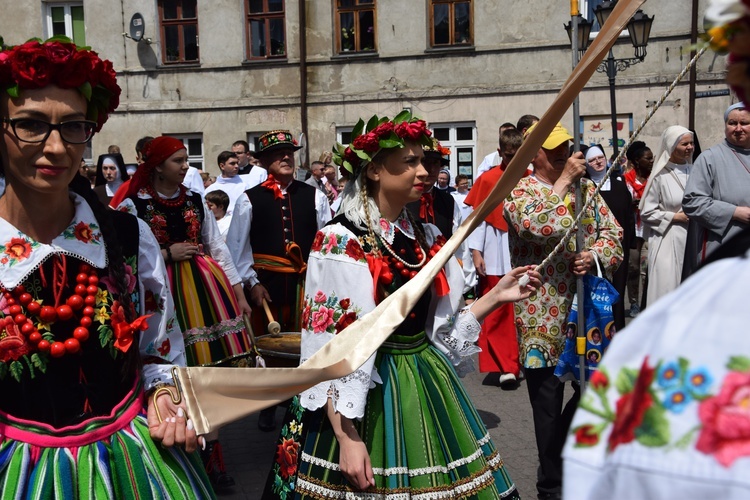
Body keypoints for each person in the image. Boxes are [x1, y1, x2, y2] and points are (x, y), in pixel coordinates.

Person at [265, 112, 542, 498]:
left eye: (424, 162)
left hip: (423, 377)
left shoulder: (423, 235)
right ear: (375, 170)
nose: (424, 171)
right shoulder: (341, 240)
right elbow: (330, 348)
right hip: (368, 393)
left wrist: (496, 297)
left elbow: (438, 330)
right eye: (409, 162)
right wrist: (346, 437)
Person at [0, 37, 212, 497]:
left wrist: (163, 398)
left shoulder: (128, 238)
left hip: (131, 467)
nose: (56, 147)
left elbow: (158, 352)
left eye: (74, 126)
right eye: (30, 125)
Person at [119, 135, 254, 491]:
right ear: (158, 166)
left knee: (208, 374)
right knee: (178, 373)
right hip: (164, 295)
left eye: (185, 160)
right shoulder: (134, 207)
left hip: (207, 293)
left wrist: (238, 293)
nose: (185, 166)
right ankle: (181, 450)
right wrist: (167, 254)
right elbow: (124, 259)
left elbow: (218, 248)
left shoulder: (195, 199)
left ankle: (214, 461)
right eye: (178, 160)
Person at [504, 122, 623, 500]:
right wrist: (560, 186)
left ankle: (564, 455)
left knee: (595, 389)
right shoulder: (518, 190)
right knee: (547, 406)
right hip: (542, 316)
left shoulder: (586, 188)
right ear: (532, 153)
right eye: (552, 147)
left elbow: (615, 234)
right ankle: (551, 485)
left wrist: (595, 254)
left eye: (566, 146)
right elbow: (535, 225)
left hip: (586, 312)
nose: (562, 153)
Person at [226, 129, 331, 431]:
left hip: (306, 283)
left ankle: (304, 404)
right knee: (270, 348)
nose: (286, 157)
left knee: (307, 345)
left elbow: (326, 242)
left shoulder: (315, 196)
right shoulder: (249, 199)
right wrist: (251, 282)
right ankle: (269, 404)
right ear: (264, 161)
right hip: (266, 285)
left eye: (290, 152)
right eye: (277, 154)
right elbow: (237, 247)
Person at [465, 128, 526, 385]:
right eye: (509, 155)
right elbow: (477, 220)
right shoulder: (488, 179)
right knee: (497, 307)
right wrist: (476, 252)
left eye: (518, 155)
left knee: (524, 303)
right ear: (500, 152)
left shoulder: (530, 178)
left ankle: (525, 359)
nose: (513, 161)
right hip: (494, 247)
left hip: (524, 246)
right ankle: (505, 365)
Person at [682, 102, 750, 278]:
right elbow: (692, 202)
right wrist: (734, 212)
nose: (738, 128)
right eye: (732, 123)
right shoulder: (710, 158)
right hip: (725, 249)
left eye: (744, 123)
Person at [640, 126, 694, 306]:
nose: (690, 147)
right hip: (667, 239)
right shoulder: (659, 176)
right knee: (667, 288)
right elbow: (647, 212)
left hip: (692, 237)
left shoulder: (695, 170)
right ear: (671, 146)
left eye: (691, 143)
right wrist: (675, 217)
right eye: (684, 143)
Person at [584, 145, 634, 330]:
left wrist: (631, 242)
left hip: (619, 246)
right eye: (592, 160)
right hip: (595, 249)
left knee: (619, 290)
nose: (597, 162)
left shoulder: (620, 185)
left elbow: (629, 215)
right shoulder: (584, 188)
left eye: (600, 158)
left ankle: (618, 330)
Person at [623, 141, 653, 316]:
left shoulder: (656, 178)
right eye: (647, 159)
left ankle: (647, 301)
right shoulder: (625, 180)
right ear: (637, 160)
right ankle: (634, 302)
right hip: (633, 229)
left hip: (650, 229)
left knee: (647, 267)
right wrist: (630, 203)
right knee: (633, 268)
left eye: (652, 158)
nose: (651, 161)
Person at [204, 150, 249, 228]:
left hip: (242, 225)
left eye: (237, 163)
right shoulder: (211, 189)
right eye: (232, 163)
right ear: (222, 166)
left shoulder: (246, 185)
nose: (237, 166)